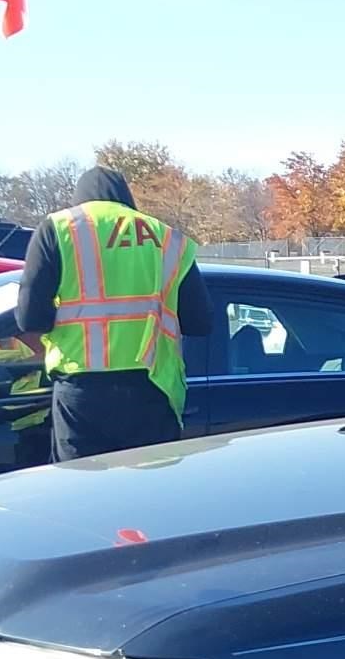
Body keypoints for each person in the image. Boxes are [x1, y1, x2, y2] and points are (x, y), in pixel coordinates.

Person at [15, 166, 211, 462]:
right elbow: (200, 322)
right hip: (153, 388)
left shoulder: (58, 229)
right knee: (149, 501)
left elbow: (31, 319)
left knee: (83, 499)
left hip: (81, 391)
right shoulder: (166, 237)